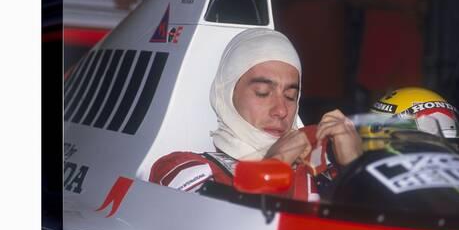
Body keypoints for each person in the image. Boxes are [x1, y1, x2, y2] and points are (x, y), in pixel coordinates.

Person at [149, 28, 362, 201]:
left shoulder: (321, 167)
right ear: (227, 93)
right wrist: (275, 164)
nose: (281, 110)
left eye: (290, 96)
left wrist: (356, 168)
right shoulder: (182, 169)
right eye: (262, 93)